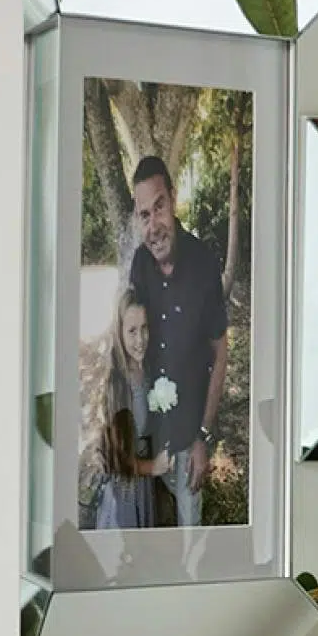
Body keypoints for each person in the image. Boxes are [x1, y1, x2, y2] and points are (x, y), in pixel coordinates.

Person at [125, 151, 232, 528]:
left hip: (189, 438)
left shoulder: (204, 263)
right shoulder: (139, 265)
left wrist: (204, 434)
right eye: (144, 214)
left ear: (173, 197)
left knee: (190, 550)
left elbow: (220, 353)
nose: (154, 224)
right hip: (148, 436)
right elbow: (129, 338)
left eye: (159, 206)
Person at [93, 287, 178, 531]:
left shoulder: (150, 371)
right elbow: (111, 460)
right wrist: (152, 467)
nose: (140, 339)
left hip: (147, 491)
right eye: (131, 331)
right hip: (123, 495)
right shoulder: (114, 382)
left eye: (145, 328)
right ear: (119, 332)